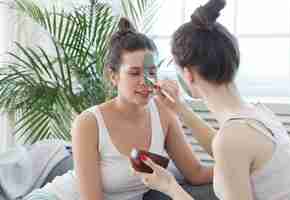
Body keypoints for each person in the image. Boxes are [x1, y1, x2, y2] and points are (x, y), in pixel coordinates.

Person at [23, 18, 214, 200]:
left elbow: (196, 173)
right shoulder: (88, 123)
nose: (145, 81)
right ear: (113, 76)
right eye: (134, 73)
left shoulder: (164, 114)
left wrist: (241, 167)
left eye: (151, 72)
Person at [134, 0, 290, 199]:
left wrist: (170, 186)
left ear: (187, 74)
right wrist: (180, 108)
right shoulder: (258, 113)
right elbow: (228, 149)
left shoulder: (231, 140)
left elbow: (227, 146)